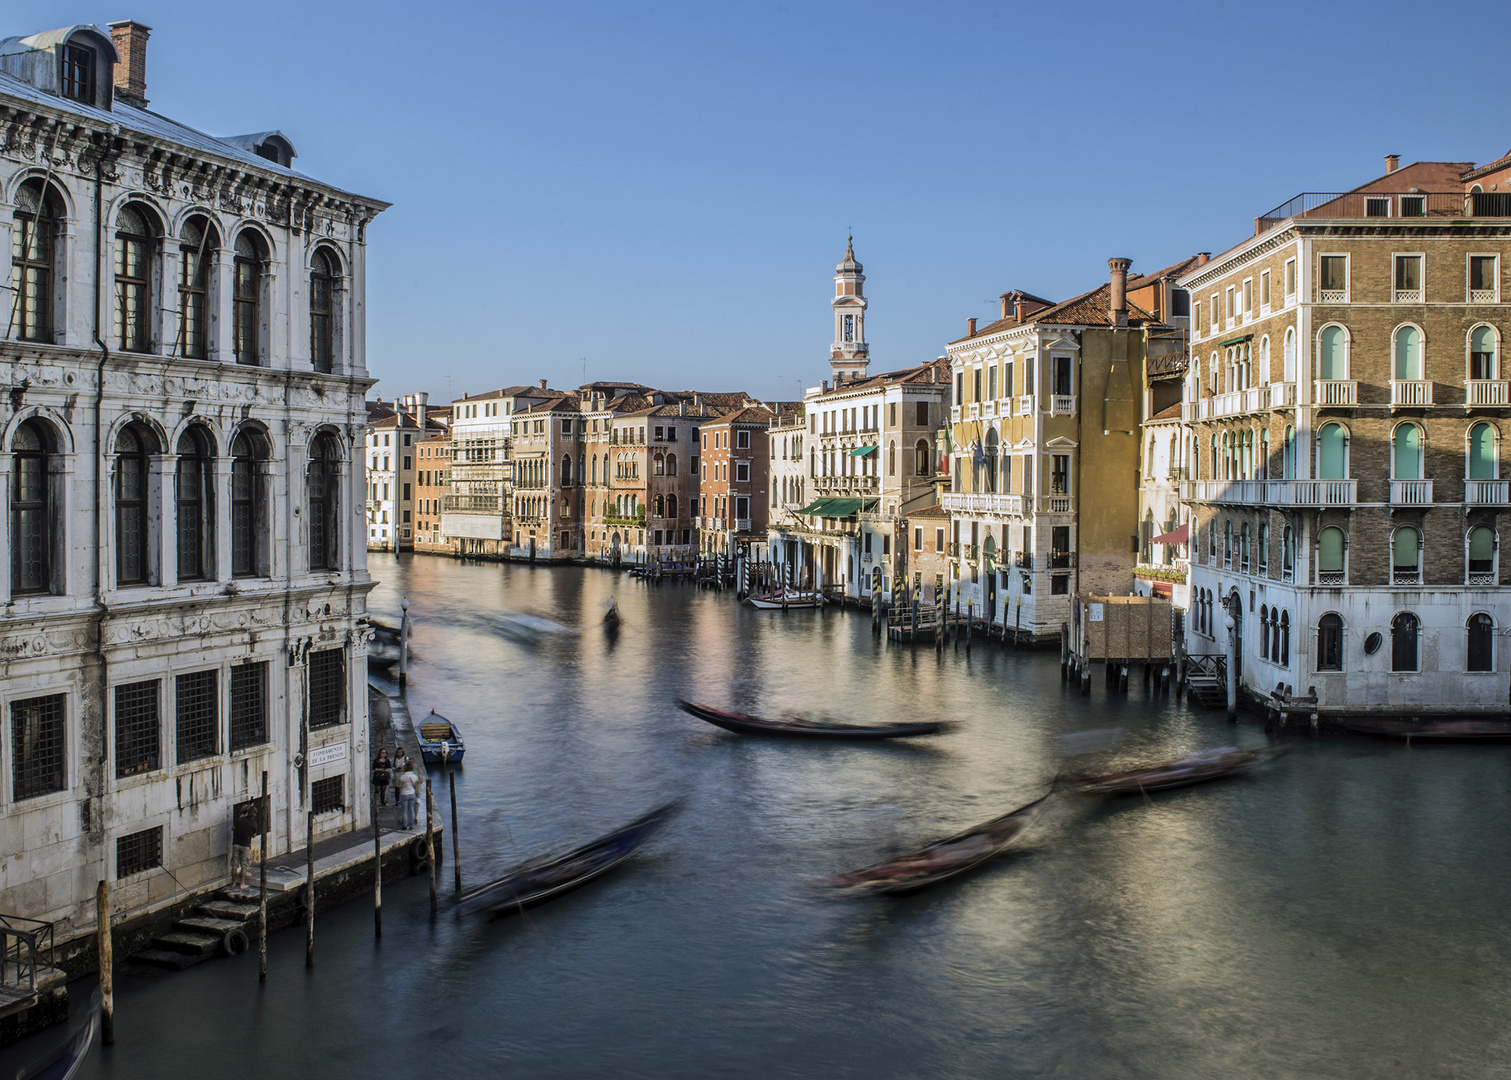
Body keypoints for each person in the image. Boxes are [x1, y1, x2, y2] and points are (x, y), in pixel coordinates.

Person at [231, 805, 259, 889]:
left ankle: (233, 883)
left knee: (234, 865)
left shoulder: (239, 820)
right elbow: (254, 835)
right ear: (254, 815)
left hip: (235, 844)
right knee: (244, 865)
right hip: (245, 845)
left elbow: (233, 828)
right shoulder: (254, 823)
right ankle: (242, 884)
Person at [395, 762, 421, 830]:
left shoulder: (403, 777)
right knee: (412, 809)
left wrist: (398, 779)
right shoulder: (414, 776)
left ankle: (405, 825)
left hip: (404, 794)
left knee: (404, 810)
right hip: (412, 794)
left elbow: (398, 786)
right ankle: (411, 825)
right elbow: (417, 785)